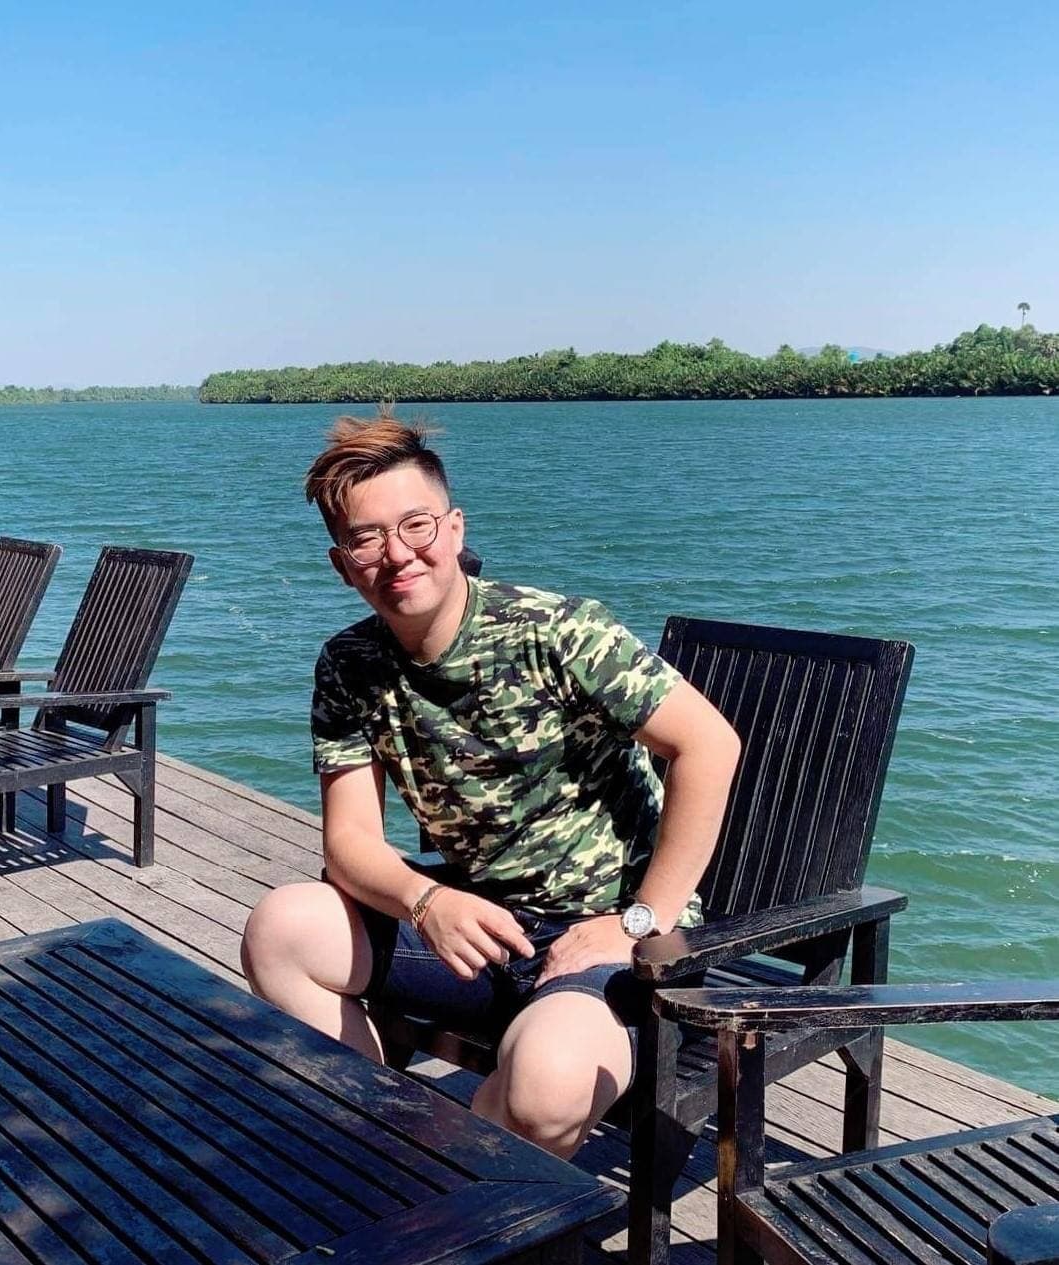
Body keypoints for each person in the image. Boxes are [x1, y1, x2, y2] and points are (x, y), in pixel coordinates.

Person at [241, 411, 740, 1159]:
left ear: (453, 529)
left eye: (415, 525)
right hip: (475, 927)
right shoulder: (349, 665)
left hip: (609, 937)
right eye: (366, 538)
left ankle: (459, 1179)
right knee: (279, 929)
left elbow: (708, 743)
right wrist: (427, 901)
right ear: (342, 564)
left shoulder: (556, 631)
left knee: (545, 1088)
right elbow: (348, 844)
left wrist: (639, 919)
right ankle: (381, 1137)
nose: (397, 554)